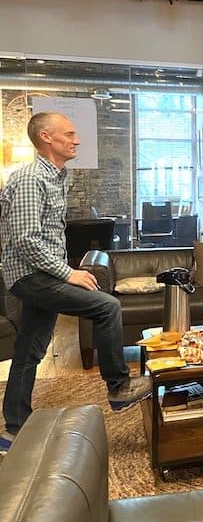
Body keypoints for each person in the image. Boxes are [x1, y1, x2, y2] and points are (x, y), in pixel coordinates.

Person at [0, 112, 152, 456]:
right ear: (46, 137)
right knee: (106, 305)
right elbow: (26, 240)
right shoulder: (29, 179)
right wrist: (68, 274)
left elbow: (48, 236)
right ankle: (118, 386)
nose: (76, 140)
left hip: (40, 274)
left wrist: (63, 269)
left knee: (30, 349)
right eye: (69, 134)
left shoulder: (57, 177)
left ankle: (14, 427)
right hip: (30, 276)